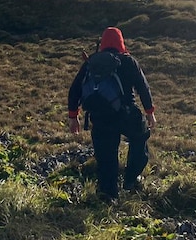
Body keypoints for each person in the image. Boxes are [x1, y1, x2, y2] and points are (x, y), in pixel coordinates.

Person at [67, 27, 157, 202]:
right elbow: (143, 88)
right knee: (140, 138)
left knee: (106, 155)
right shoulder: (129, 61)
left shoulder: (90, 63)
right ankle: (131, 179)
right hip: (127, 114)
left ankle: (108, 195)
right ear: (121, 42)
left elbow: (74, 90)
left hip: (100, 117)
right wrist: (149, 112)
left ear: (102, 43)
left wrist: (73, 116)